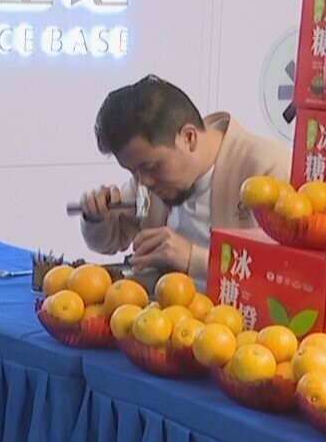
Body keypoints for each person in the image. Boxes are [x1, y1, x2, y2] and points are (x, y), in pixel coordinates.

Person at [78, 75, 291, 292]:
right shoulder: (146, 182)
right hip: (166, 308)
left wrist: (192, 258)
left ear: (189, 138)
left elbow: (287, 273)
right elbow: (112, 241)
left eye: (151, 167)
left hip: (238, 311)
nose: (144, 182)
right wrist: (97, 217)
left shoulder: (269, 170)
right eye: (133, 172)